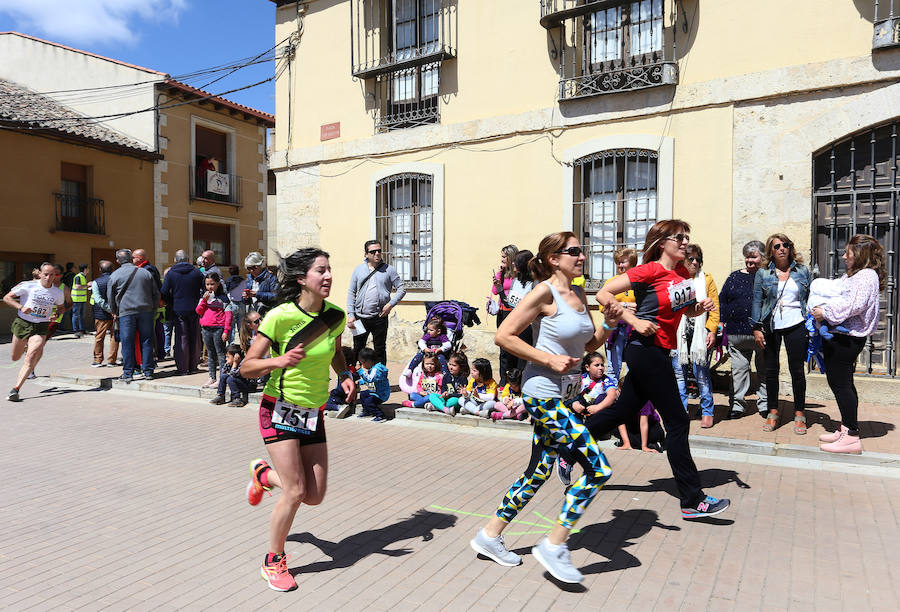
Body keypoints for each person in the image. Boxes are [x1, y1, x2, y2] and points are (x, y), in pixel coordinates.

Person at [470, 231, 615, 584]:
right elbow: (504, 335)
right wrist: (547, 359)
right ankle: (554, 545)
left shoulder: (580, 293)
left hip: (565, 395)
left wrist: (611, 321)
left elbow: (588, 343)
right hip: (542, 394)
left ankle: (489, 536)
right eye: (574, 252)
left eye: (583, 251)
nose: (582, 256)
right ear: (554, 258)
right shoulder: (543, 292)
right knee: (598, 469)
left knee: (538, 473)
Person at [588, 220, 731, 521]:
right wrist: (633, 319)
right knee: (678, 421)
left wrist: (699, 308)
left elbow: (682, 310)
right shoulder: (650, 270)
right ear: (661, 243)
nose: (684, 242)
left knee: (622, 411)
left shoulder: (681, 275)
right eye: (679, 237)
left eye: (686, 238)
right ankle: (692, 499)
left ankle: (570, 446)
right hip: (644, 350)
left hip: (661, 352)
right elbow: (603, 293)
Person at [240, 247, 355, 592]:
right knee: (294, 491)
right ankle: (273, 561)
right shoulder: (279, 317)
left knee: (314, 494)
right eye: (321, 271)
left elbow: (334, 352)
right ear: (302, 279)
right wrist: (279, 362)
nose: (329, 276)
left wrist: (345, 374)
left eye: (330, 269)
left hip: (313, 412)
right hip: (279, 407)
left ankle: (262, 474)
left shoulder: (335, 316)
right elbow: (247, 366)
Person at [813, 234, 885, 454]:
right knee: (841, 382)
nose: (844, 257)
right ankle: (846, 427)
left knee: (841, 384)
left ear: (860, 255)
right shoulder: (857, 275)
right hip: (842, 336)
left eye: (848, 253)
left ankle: (852, 436)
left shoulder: (865, 276)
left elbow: (854, 305)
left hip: (848, 337)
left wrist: (824, 311)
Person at [751, 233, 811, 435]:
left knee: (797, 371)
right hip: (771, 325)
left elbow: (809, 298)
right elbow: (757, 301)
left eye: (785, 245)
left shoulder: (802, 271)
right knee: (771, 370)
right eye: (777, 246)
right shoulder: (763, 273)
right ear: (771, 251)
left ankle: (800, 413)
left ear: (790, 247)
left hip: (797, 323)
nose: (782, 248)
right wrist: (756, 328)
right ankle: (773, 411)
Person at [672, 244, 720, 429]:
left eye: (698, 259)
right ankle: (681, 411)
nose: (694, 262)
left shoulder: (706, 279)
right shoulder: (676, 279)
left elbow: (714, 308)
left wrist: (711, 330)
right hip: (679, 335)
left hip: (700, 334)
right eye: (690, 258)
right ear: (683, 260)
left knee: (701, 374)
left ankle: (707, 410)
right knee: (679, 375)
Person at [719, 240, 768, 419]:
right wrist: (722, 323)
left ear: (762, 257)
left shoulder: (768, 276)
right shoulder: (734, 277)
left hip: (762, 334)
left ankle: (765, 404)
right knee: (739, 371)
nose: (749, 260)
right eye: (747, 256)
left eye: (753, 257)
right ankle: (737, 406)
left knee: (764, 370)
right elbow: (722, 300)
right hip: (736, 334)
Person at [556, 351, 620, 485]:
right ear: (587, 367)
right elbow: (566, 396)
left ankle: (579, 467)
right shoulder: (579, 379)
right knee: (579, 442)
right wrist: (574, 403)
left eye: (602, 365)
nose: (601, 368)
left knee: (587, 446)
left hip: (593, 419)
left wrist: (598, 407)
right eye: (596, 365)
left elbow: (611, 396)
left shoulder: (606, 381)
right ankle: (565, 461)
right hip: (577, 415)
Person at [4, 263, 65, 401]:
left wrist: (56, 314)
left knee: (31, 356)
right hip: (23, 323)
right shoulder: (27, 285)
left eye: (52, 275)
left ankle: (16, 389)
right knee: (15, 357)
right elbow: (7, 298)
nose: (48, 277)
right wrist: (20, 306)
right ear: (40, 274)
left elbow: (61, 307)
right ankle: (25, 346)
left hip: (41, 326)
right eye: (46, 274)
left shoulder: (57, 292)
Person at [346, 240, 407, 365]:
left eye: (379, 250)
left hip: (380, 317)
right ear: (366, 254)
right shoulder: (358, 270)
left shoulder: (389, 270)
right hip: (359, 316)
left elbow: (402, 289)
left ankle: (380, 379)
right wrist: (351, 315)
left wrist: (390, 305)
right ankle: (354, 378)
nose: (377, 254)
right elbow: (351, 292)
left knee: (379, 348)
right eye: (373, 251)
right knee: (358, 347)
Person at [108, 249, 159, 382]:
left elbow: (110, 297)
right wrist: (153, 309)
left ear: (118, 261)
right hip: (146, 311)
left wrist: (114, 311)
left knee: (127, 342)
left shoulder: (114, 275)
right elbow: (155, 293)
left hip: (126, 312)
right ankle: (148, 371)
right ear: (131, 258)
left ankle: (128, 372)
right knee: (147, 340)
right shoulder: (145, 273)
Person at [161, 250, 205, 374]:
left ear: (175, 260)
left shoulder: (171, 273)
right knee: (195, 337)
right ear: (188, 259)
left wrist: (172, 301)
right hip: (194, 308)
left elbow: (164, 291)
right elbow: (205, 288)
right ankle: (193, 366)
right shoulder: (197, 272)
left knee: (181, 338)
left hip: (178, 309)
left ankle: (182, 367)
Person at [603, 248, 638, 380]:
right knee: (613, 369)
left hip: (634, 330)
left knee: (633, 367)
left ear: (632, 263)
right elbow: (602, 306)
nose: (620, 265)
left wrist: (635, 307)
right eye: (618, 262)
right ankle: (613, 398)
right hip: (615, 330)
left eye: (623, 262)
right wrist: (624, 306)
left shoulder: (638, 283)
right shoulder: (611, 282)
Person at [197, 272, 233, 389]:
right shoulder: (204, 297)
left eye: (212, 284)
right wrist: (204, 301)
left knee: (221, 354)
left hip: (218, 328)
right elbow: (199, 311)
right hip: (206, 328)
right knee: (210, 354)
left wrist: (226, 330)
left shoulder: (223, 298)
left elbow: (229, 315)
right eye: (207, 284)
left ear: (218, 284)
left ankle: (222, 378)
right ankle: (212, 377)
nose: (210, 287)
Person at [503, 249, 535, 373]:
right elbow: (510, 301)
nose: (513, 264)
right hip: (512, 323)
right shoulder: (516, 281)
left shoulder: (533, 284)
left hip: (526, 327)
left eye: (516, 262)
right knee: (509, 357)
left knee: (522, 360)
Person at [492, 244, 519, 384]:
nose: (501, 259)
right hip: (502, 312)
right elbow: (495, 291)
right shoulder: (503, 273)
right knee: (503, 348)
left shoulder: (517, 274)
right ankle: (503, 380)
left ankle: (515, 380)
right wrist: (498, 274)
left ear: (511, 257)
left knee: (512, 347)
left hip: (513, 312)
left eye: (504, 256)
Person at [90, 260, 120, 367]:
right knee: (114, 337)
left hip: (101, 313)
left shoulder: (96, 282)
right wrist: (113, 310)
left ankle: (97, 360)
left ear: (100, 270)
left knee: (99, 337)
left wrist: (108, 309)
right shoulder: (116, 280)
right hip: (116, 314)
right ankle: (112, 360)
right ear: (112, 269)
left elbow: (98, 299)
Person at [427, 351, 469, 416]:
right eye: (450, 364)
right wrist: (444, 393)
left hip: (453, 399)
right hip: (445, 398)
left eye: (454, 365)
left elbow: (461, 395)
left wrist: (449, 395)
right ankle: (445, 409)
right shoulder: (446, 376)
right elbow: (443, 388)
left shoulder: (463, 378)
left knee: (453, 401)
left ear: (461, 367)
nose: (451, 367)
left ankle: (437, 407)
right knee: (432, 395)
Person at [355, 347, 391, 422]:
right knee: (363, 394)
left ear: (368, 361)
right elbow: (370, 380)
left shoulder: (377, 369)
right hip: (375, 391)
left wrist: (360, 370)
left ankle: (380, 415)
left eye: (363, 363)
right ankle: (367, 411)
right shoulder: (373, 368)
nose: (363, 366)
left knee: (369, 401)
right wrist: (360, 381)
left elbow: (370, 379)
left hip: (381, 394)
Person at [226, 264, 247, 340]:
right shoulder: (242, 280)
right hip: (241, 303)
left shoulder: (229, 280)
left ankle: (231, 345)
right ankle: (243, 344)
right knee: (241, 327)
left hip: (232, 304)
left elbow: (226, 290)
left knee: (231, 327)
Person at [70, 263, 89, 338]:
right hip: (76, 299)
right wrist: (87, 285)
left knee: (81, 315)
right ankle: (76, 330)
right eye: (87, 268)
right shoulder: (78, 276)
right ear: (85, 269)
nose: (88, 270)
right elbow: (78, 287)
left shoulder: (83, 276)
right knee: (76, 315)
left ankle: (82, 329)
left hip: (81, 298)